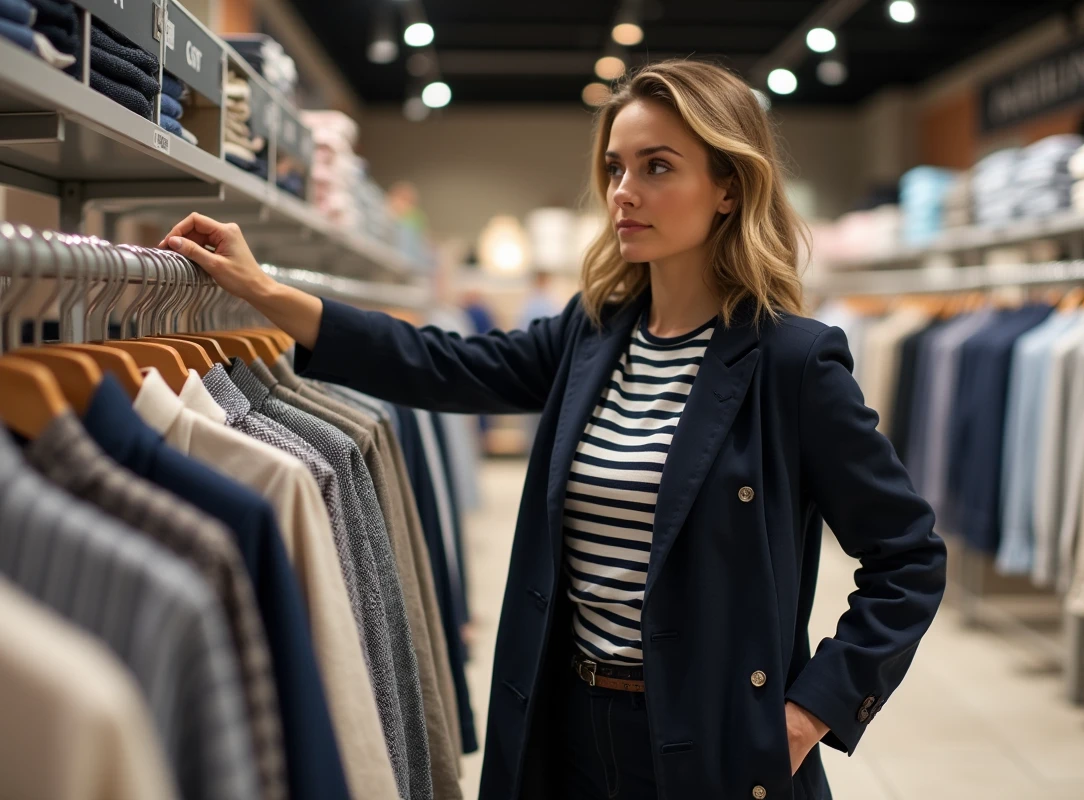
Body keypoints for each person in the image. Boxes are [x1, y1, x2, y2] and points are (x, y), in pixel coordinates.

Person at [161, 59, 946, 800]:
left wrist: (811, 711)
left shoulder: (792, 362)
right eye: (615, 168)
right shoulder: (593, 333)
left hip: (707, 733)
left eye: (658, 166)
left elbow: (908, 556)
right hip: (563, 716)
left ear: (729, 188)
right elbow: (440, 364)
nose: (624, 192)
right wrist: (264, 291)